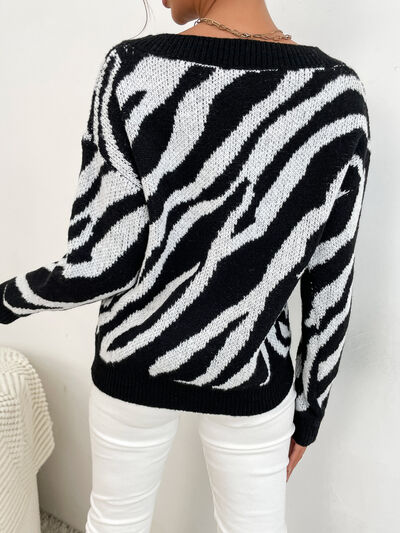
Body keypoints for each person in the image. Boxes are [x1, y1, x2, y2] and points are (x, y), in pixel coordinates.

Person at [0, 0, 371, 531]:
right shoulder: (338, 96)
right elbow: (330, 280)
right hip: (254, 368)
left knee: (115, 522)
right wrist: (310, 410)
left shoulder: (132, 70)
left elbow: (100, 263)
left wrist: (6, 300)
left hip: (134, 356)